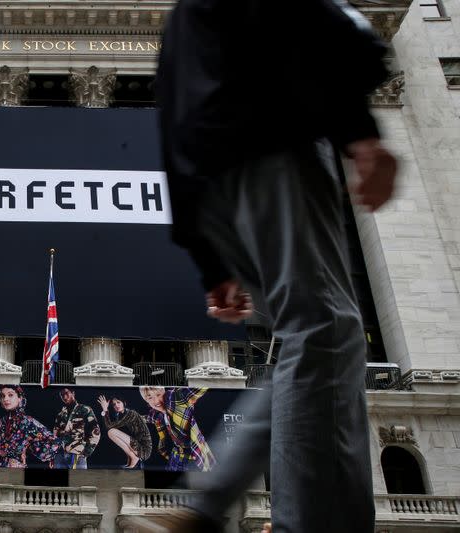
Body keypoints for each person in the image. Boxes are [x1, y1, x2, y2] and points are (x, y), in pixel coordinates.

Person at [153, 0, 397, 531]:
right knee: (326, 330)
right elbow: (309, 21)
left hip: (211, 185)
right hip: (270, 145)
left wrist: (209, 258)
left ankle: (205, 503)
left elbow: (168, 126)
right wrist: (361, 131)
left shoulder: (181, 21)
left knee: (306, 341)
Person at [139, 386, 216, 472]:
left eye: (158, 394)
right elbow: (144, 418)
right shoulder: (157, 414)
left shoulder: (175, 399)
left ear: (164, 393)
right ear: (147, 401)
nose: (156, 401)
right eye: (150, 397)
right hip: (175, 458)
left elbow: (200, 387)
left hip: (194, 460)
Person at [0, 385, 60, 468]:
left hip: (17, 473)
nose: (5, 399)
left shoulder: (27, 421)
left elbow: (55, 442)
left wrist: (32, 448)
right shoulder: (2, 421)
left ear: (20, 398)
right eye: (3, 396)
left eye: (10, 395)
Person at [97, 394, 152, 469]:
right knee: (111, 432)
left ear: (124, 403)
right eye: (114, 404)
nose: (116, 405)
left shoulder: (131, 413)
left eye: (118, 402)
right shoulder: (121, 416)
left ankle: (134, 457)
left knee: (111, 431)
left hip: (143, 450)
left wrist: (105, 409)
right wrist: (104, 411)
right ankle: (132, 457)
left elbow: (109, 426)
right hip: (137, 446)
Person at [52, 388, 101, 469]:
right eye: (62, 395)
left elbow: (96, 431)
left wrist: (86, 452)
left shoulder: (84, 409)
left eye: (66, 393)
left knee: (78, 481)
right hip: (60, 455)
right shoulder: (60, 414)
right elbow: (55, 434)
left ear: (73, 393)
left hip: (77, 453)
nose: (64, 396)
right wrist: (53, 455)